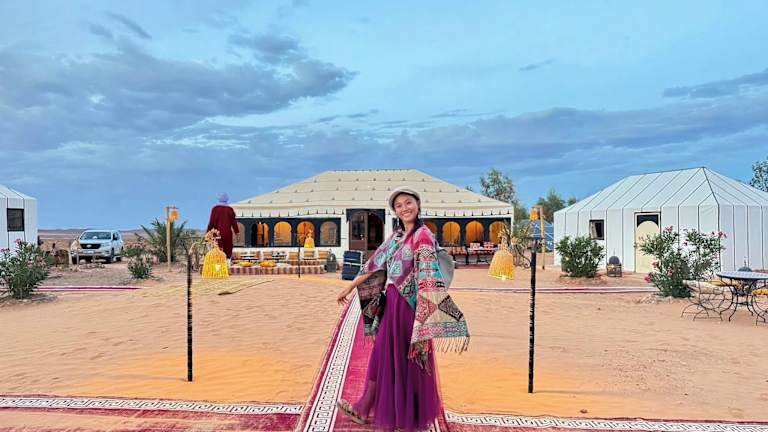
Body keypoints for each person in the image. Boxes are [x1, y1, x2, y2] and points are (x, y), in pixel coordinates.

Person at [336, 186, 470, 432]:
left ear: (418, 204)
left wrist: (424, 313)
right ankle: (364, 408)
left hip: (412, 306)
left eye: (408, 203)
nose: (404, 208)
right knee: (382, 355)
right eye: (399, 206)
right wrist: (349, 287)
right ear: (395, 212)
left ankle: (409, 417)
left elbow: (429, 274)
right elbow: (374, 264)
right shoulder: (396, 237)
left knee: (408, 359)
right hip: (393, 303)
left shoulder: (423, 236)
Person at [206, 193, 239, 264]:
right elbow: (234, 223)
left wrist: (207, 232)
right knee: (227, 251)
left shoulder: (215, 209)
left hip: (217, 234)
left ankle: (219, 266)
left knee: (218, 250)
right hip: (228, 234)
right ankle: (227, 266)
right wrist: (237, 233)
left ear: (219, 199)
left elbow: (211, 222)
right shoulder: (230, 209)